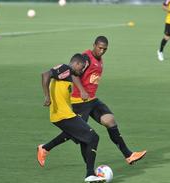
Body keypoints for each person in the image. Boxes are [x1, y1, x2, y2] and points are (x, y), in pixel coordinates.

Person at [37, 36, 146, 168]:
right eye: (99, 48)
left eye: (104, 49)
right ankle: (45, 148)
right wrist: (82, 90)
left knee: (109, 120)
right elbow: (73, 73)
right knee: (78, 134)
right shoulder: (86, 58)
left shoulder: (99, 59)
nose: (102, 51)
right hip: (79, 101)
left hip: (92, 100)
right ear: (94, 45)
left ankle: (128, 155)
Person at [39, 53, 106, 183]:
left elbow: (74, 77)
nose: (82, 71)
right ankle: (90, 174)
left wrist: (82, 91)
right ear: (76, 64)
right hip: (62, 115)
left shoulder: (68, 73)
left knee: (81, 138)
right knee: (93, 137)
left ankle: (45, 148)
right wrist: (47, 96)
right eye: (81, 68)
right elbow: (45, 75)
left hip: (65, 114)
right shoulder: (64, 68)